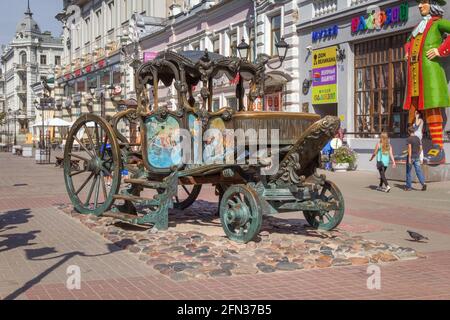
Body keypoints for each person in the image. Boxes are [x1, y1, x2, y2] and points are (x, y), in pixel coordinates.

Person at [404, 0, 450, 165]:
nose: (419, 6)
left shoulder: (438, 24)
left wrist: (441, 50)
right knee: (414, 111)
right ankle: (414, 148)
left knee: (432, 109)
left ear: (433, 4)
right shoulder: (418, 26)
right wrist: (408, 52)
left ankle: (438, 148)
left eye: (423, 2)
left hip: (430, 74)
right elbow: (409, 41)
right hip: (415, 76)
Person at [405, 126, 428, 191]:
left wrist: (409, 158)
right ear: (414, 131)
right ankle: (423, 183)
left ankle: (408, 187)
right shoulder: (418, 138)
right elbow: (421, 148)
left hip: (411, 157)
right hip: (417, 157)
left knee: (408, 172)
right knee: (418, 171)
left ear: (409, 131)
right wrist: (418, 154)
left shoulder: (409, 139)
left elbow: (409, 149)